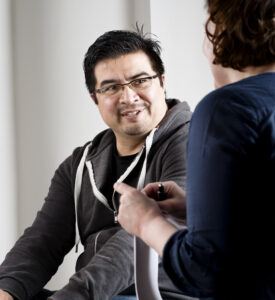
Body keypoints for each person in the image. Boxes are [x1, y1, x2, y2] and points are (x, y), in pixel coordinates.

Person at [115, 1, 275, 299]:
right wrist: (198, 210)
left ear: (220, 32)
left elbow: (204, 273)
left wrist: (145, 221)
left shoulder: (226, 109)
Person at [0, 29, 196, 300]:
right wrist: (5, 291)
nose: (128, 98)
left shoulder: (193, 143)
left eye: (140, 81)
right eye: (112, 87)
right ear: (95, 97)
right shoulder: (78, 165)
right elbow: (41, 243)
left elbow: (138, 243)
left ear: (162, 82)